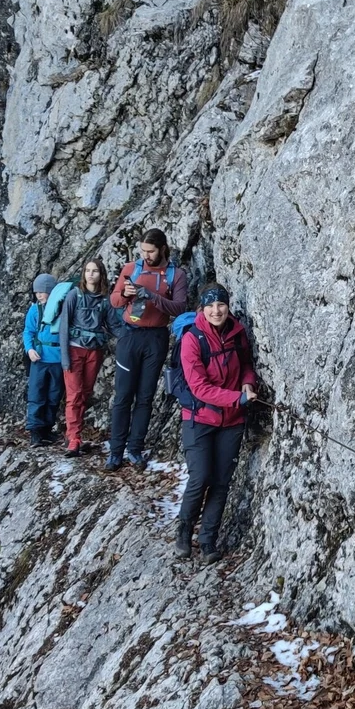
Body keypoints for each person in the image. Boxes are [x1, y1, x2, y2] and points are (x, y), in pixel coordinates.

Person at [176, 284, 256, 562]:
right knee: (200, 477)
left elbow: (246, 364)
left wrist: (247, 383)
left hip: (231, 421)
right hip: (199, 418)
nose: (216, 310)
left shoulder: (236, 333)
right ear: (202, 309)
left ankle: (208, 540)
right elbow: (199, 388)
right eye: (210, 306)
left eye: (221, 304)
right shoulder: (192, 339)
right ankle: (184, 531)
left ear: (228, 306)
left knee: (221, 482)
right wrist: (238, 398)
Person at [106, 229, 189, 471]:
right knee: (123, 396)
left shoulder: (176, 275)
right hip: (130, 335)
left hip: (156, 337)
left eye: (150, 251)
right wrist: (125, 293)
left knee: (145, 396)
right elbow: (114, 301)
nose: (146, 255)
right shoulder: (131, 268)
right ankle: (115, 451)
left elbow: (179, 308)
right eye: (143, 251)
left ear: (162, 249)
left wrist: (152, 296)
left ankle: (135, 449)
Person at [59, 259, 113, 456]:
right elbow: (64, 326)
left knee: (85, 393)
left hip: (95, 351)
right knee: (74, 394)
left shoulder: (105, 299)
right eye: (87, 270)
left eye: (95, 271)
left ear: (101, 274)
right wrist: (64, 357)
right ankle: (74, 438)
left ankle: (73, 434)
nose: (90, 274)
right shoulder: (74, 295)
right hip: (74, 350)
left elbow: (113, 324)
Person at [22, 273, 65, 446]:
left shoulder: (63, 309)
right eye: (37, 292)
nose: (39, 295)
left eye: (42, 292)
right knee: (36, 395)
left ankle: (47, 429)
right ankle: (35, 432)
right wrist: (30, 349)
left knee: (54, 396)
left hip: (58, 360)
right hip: (40, 359)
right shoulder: (35, 310)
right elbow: (28, 332)